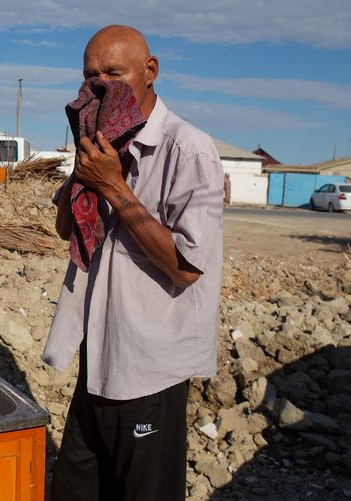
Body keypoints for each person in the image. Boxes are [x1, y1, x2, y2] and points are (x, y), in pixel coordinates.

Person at [43, 25, 224, 501]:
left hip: (150, 367)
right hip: (98, 355)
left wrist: (114, 188)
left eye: (114, 74)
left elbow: (186, 267)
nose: (100, 86)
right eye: (90, 75)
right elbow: (67, 229)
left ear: (150, 72)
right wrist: (84, 174)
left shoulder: (189, 149)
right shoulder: (103, 141)